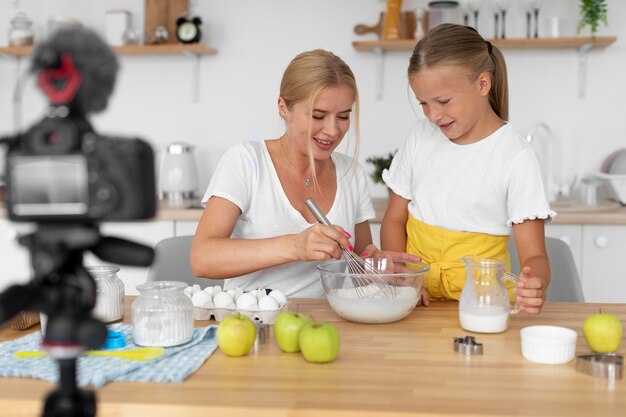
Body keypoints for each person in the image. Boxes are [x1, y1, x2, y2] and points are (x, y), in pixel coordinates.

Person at [381, 24, 556, 314]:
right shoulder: (420, 136)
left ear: (483, 84)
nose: (433, 115)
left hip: (481, 305)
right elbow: (394, 220)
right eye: (423, 103)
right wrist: (404, 279)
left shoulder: (516, 156)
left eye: (444, 101)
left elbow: (535, 256)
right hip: (416, 303)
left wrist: (535, 282)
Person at [190, 49, 376, 298]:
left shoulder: (351, 173)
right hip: (253, 326)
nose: (332, 130)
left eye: (343, 117)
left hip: (327, 327)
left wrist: (382, 269)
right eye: (318, 116)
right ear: (283, 107)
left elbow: (359, 266)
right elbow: (202, 258)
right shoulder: (246, 161)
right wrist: (294, 246)